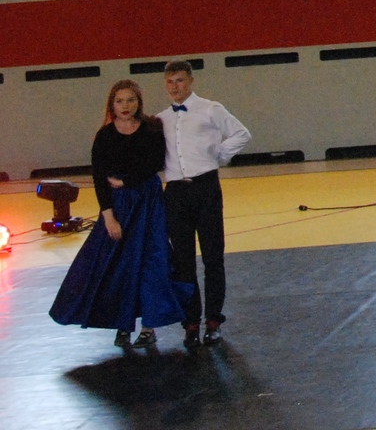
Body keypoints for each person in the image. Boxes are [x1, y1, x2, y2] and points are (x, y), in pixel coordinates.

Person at [49, 79, 191, 347]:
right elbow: (99, 178)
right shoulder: (105, 136)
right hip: (119, 206)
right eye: (120, 101)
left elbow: (155, 163)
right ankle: (122, 323)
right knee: (116, 263)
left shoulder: (151, 128)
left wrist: (127, 182)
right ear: (111, 105)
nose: (125, 106)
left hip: (147, 202)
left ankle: (148, 327)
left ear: (138, 102)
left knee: (151, 261)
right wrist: (108, 216)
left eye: (130, 100)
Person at [156, 59, 251, 347]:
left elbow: (242, 133)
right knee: (183, 261)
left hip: (205, 188)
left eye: (180, 81)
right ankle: (190, 322)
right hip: (175, 192)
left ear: (191, 81)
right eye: (170, 82)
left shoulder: (211, 109)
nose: (175, 87)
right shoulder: (160, 119)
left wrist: (220, 154)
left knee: (212, 257)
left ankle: (213, 321)